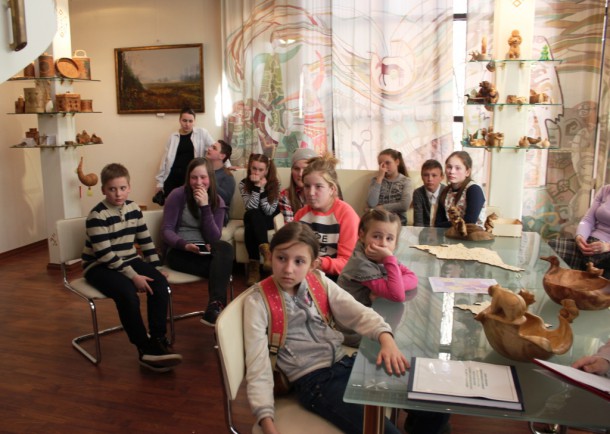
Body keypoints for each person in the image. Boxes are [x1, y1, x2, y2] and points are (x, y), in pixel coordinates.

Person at [243, 222, 407, 434]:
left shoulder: (319, 281)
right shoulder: (258, 301)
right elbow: (258, 366)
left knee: (426, 397)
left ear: (313, 265)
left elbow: (358, 313)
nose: (288, 269)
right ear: (269, 255)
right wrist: (266, 421)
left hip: (345, 363)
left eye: (299, 261)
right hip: (316, 382)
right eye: (281, 258)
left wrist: (386, 338)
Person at [82, 163, 183, 373]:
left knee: (160, 283)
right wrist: (134, 276)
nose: (118, 194)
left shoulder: (134, 209)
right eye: (112, 189)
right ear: (103, 190)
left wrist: (156, 268)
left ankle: (157, 338)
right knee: (128, 293)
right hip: (99, 265)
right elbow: (105, 255)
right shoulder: (97, 216)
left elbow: (145, 242)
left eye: (122, 188)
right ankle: (143, 346)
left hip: (127, 259)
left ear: (129, 188)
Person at [161, 157, 234, 326]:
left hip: (204, 250)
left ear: (210, 178)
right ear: (188, 178)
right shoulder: (177, 195)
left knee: (225, 247)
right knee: (221, 271)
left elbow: (213, 238)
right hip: (180, 251)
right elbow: (166, 231)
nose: (198, 182)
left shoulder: (217, 201)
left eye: (203, 177)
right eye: (194, 178)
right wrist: (185, 245)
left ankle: (214, 307)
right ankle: (216, 308)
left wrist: (205, 207)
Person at [294, 153, 359, 279]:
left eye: (318, 186)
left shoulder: (346, 215)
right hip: (306, 272)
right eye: (307, 186)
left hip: (337, 277)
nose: (311, 193)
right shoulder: (301, 215)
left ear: (332, 189)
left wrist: (318, 263)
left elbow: (347, 262)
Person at [338, 209, 417, 307]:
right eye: (376, 236)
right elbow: (397, 296)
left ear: (396, 242)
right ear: (362, 235)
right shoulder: (361, 264)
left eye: (389, 238)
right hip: (349, 312)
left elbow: (412, 277)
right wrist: (389, 259)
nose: (383, 244)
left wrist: (395, 285)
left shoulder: (381, 255)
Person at [548, 184, 610, 279]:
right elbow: (587, 220)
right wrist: (580, 237)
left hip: (607, 250)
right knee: (551, 249)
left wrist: (606, 246)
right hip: (591, 243)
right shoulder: (605, 190)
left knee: (596, 264)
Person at [155, 107, 215, 200]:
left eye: (190, 121)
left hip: (191, 178)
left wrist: (227, 164)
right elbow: (164, 160)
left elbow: (214, 149)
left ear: (194, 121)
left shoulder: (202, 133)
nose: (187, 124)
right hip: (172, 178)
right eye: (184, 121)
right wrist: (159, 183)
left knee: (190, 204)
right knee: (172, 204)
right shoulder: (173, 137)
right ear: (180, 120)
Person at [240, 153, 281, 285]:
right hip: (253, 217)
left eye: (260, 169)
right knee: (251, 215)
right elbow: (250, 207)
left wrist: (262, 190)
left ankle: (254, 270)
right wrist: (257, 187)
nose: (256, 172)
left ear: (267, 170)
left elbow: (269, 211)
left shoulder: (275, 184)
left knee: (251, 223)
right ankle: (266, 253)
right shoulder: (243, 183)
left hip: (269, 219)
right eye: (254, 168)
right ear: (249, 168)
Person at [435, 151, 486, 229]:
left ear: (467, 172)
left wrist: (446, 225)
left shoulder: (474, 190)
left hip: (473, 234)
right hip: (449, 234)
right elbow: (437, 224)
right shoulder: (445, 191)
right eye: (449, 167)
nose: (452, 171)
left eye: (457, 168)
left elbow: (469, 222)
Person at [366, 148, 413, 225]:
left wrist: (380, 208)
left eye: (388, 163)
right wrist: (379, 178)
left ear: (397, 162)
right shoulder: (375, 180)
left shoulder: (406, 181)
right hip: (378, 222)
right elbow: (371, 203)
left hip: (399, 223)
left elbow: (404, 205)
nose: (384, 167)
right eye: (381, 164)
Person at [278, 147, 318, 222]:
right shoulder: (285, 196)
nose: (300, 174)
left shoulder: (324, 192)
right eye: (296, 169)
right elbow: (290, 226)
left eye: (305, 169)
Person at [206, 139, 235, 225]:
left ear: (222, 156)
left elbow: (225, 199)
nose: (209, 149)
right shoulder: (202, 171)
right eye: (211, 146)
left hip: (219, 213)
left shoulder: (227, 176)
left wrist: (209, 181)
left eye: (214, 148)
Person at [412, 159, 445, 227]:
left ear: (442, 177)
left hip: (442, 230)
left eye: (434, 175)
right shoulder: (418, 193)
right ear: (421, 177)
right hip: (424, 230)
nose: (430, 179)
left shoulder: (447, 192)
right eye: (426, 175)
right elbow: (418, 222)